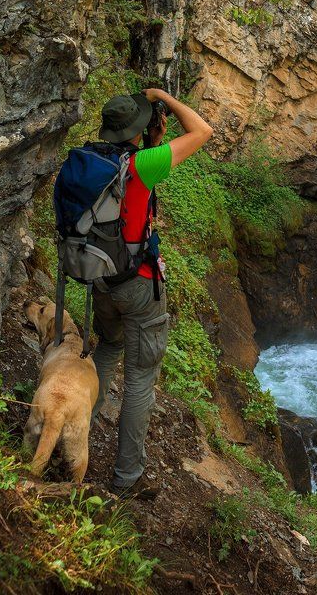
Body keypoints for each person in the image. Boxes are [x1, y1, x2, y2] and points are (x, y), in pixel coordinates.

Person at [91, 87, 213, 499]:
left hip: (100, 278)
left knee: (108, 348)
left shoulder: (90, 159)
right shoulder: (144, 164)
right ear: (138, 129)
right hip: (138, 284)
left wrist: (151, 139)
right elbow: (202, 130)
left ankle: (76, 433)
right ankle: (127, 477)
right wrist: (163, 96)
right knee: (140, 376)